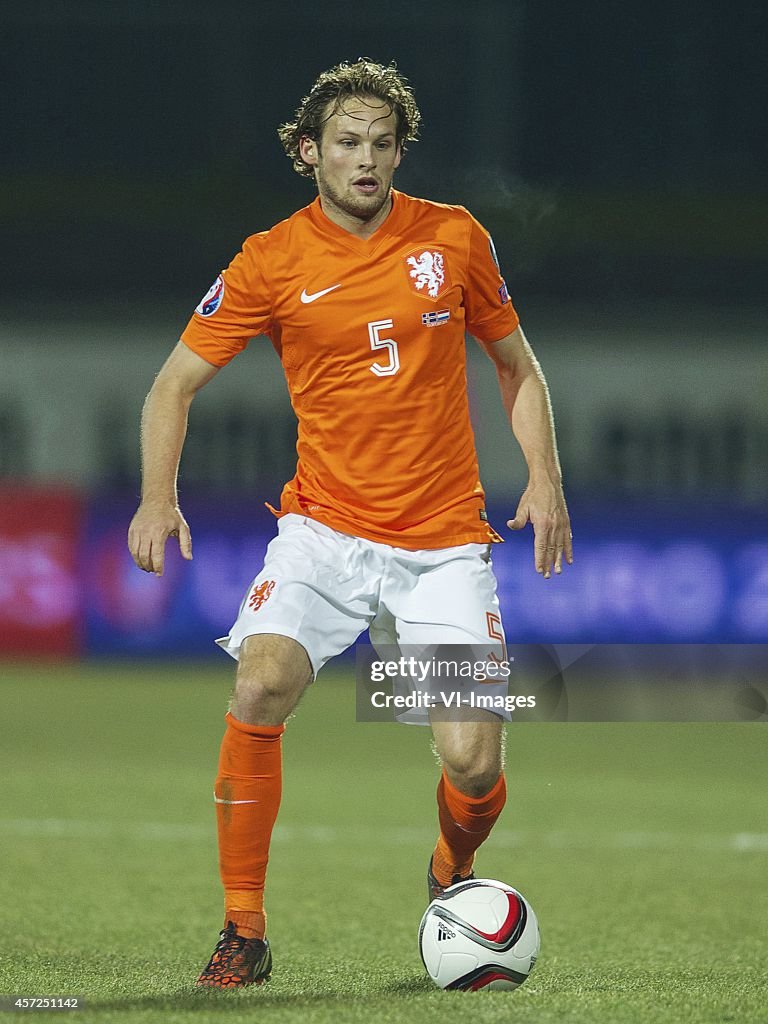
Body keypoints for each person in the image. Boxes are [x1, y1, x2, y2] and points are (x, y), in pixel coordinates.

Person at [127, 58, 572, 989]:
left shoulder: (453, 239)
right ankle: (242, 930)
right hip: (324, 532)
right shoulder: (268, 259)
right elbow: (173, 382)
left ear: (399, 151)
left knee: (474, 762)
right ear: (308, 153)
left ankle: (451, 868)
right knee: (261, 687)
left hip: (444, 541)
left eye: (380, 143)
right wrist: (156, 496)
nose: (364, 160)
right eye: (345, 143)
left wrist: (546, 478)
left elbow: (517, 365)